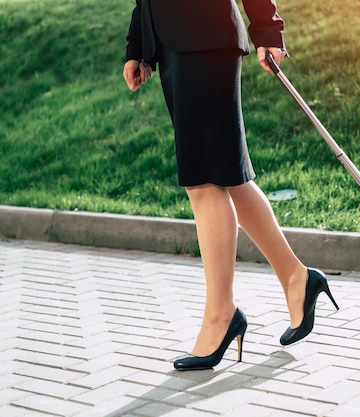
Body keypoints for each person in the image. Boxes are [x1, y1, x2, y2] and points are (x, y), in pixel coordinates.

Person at [123, 0, 338, 371]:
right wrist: (138, 47)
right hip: (174, 43)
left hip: (204, 40)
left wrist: (268, 28)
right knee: (226, 178)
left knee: (204, 182)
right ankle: (297, 279)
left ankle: (222, 314)